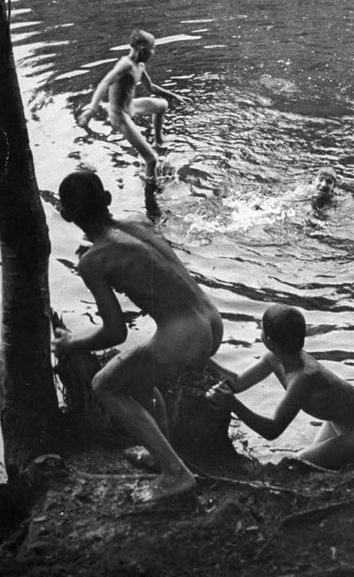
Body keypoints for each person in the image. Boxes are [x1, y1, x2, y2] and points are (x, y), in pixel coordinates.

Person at [53, 169, 223, 504]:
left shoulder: (93, 260)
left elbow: (115, 332)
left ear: (67, 215)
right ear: (107, 199)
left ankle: (175, 473)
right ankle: (161, 452)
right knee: (137, 375)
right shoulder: (139, 225)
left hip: (184, 336)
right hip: (211, 320)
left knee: (105, 385)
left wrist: (71, 342)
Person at [206, 305, 354, 469]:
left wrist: (233, 404)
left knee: (294, 465)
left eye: (261, 328)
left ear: (268, 340)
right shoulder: (274, 358)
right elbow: (237, 383)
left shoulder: (303, 377)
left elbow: (272, 430)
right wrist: (204, 359)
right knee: (301, 462)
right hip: (339, 421)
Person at [77, 29, 184, 182]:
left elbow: (151, 87)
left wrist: (174, 96)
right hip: (119, 114)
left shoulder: (139, 65)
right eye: (152, 49)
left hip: (130, 106)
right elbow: (105, 82)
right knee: (151, 159)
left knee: (162, 105)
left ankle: (158, 141)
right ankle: (152, 188)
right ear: (142, 49)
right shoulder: (125, 64)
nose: (153, 53)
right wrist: (92, 108)